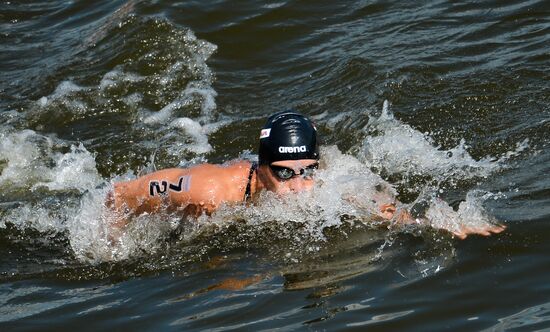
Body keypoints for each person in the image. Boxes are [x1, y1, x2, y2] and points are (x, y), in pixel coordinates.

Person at [109, 110, 505, 238]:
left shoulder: (329, 179)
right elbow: (120, 194)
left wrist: (439, 223)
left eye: (306, 172)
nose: (299, 188)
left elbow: (382, 209)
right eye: (283, 174)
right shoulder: (209, 188)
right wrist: (115, 239)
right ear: (262, 169)